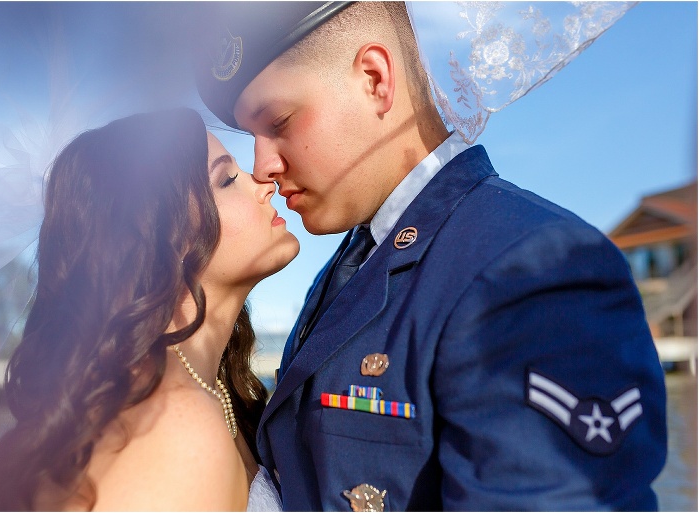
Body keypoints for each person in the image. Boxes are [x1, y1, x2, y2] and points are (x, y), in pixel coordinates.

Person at [195, 2, 668, 510]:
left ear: (375, 79)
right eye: (254, 138)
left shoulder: (531, 268)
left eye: (279, 122)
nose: (262, 166)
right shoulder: (352, 265)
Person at [0, 108, 298, 511]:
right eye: (227, 179)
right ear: (165, 242)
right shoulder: (172, 427)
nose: (263, 183)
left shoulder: (212, 392)